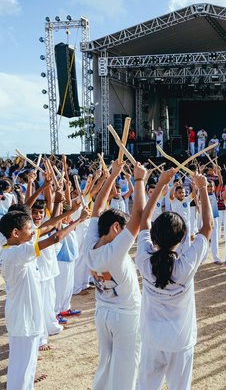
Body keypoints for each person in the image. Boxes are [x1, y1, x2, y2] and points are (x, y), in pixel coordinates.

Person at [135, 169, 213, 390]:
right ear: (182, 238)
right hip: (180, 341)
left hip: (151, 339)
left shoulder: (144, 259)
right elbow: (207, 228)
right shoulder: (185, 265)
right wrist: (203, 188)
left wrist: (160, 184)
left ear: (155, 237)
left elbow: (144, 221)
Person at [0, 207, 88, 390]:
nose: (33, 233)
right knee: (23, 364)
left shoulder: (14, 248)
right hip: (24, 316)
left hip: (20, 314)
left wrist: (70, 211)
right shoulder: (18, 253)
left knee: (22, 361)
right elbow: (54, 237)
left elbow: (46, 227)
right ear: (16, 233)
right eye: (29, 229)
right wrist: (78, 221)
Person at [83, 160, 146, 390]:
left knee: (106, 364)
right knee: (126, 369)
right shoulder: (115, 251)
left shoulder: (90, 244)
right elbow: (138, 215)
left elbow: (96, 207)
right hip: (126, 317)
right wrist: (139, 180)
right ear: (117, 228)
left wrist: (113, 175)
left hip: (102, 314)